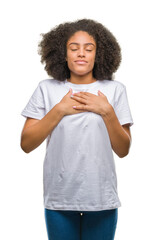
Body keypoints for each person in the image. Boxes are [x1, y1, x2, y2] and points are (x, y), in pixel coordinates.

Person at [20, 19, 134, 240]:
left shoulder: (115, 90)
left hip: (100, 196)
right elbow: (26, 144)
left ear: (98, 55)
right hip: (59, 196)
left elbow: (123, 150)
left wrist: (107, 111)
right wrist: (59, 110)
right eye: (74, 48)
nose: (81, 53)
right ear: (63, 54)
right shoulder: (47, 89)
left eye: (88, 49)